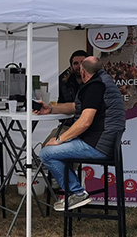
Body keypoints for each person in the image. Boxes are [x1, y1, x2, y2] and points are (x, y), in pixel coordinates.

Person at [36, 56, 125, 211]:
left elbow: (85, 121)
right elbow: (76, 106)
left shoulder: (95, 86)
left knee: (46, 153)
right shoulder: (104, 82)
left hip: (97, 146)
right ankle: (73, 192)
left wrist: (59, 139)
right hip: (106, 144)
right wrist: (50, 109)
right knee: (55, 151)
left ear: (83, 73)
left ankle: (76, 193)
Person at [43, 50, 88, 145]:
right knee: (47, 145)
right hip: (67, 126)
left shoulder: (95, 84)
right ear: (71, 67)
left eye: (83, 62)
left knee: (54, 149)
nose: (79, 66)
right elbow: (62, 104)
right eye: (76, 63)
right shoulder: (64, 84)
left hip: (89, 129)